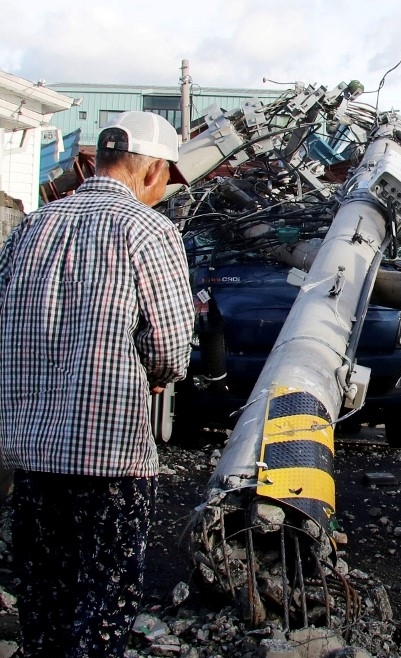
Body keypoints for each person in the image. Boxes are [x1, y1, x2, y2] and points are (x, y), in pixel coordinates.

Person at [0, 111, 194, 658]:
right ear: (153, 169)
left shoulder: (34, 226)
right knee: (103, 603)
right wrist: (159, 379)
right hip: (108, 457)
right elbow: (170, 345)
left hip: (32, 455)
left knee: (44, 602)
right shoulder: (147, 229)